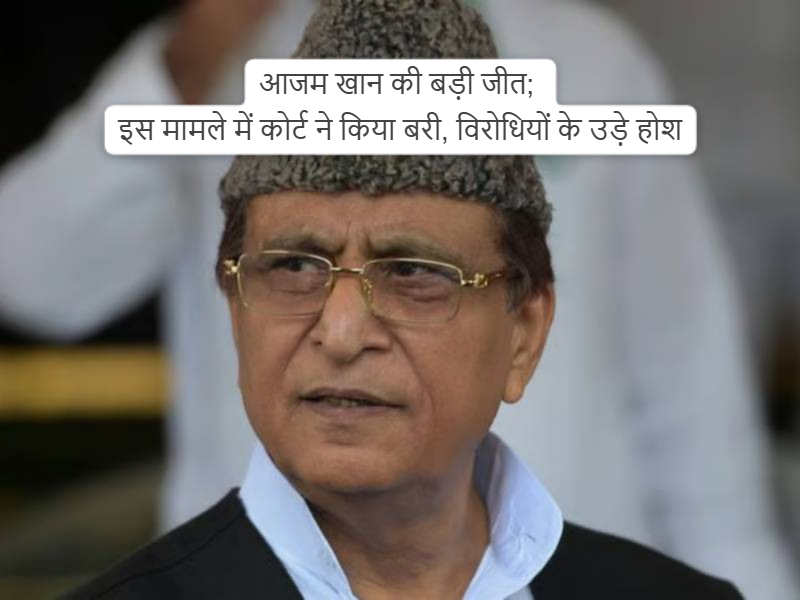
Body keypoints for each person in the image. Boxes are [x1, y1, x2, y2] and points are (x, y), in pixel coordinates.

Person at [0, 0, 796, 598]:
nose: (344, 329)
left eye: (416, 271)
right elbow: (33, 276)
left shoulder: (592, 63)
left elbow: (700, 435)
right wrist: (200, 46)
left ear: (528, 330)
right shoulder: (219, 61)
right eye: (295, 265)